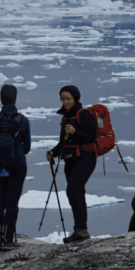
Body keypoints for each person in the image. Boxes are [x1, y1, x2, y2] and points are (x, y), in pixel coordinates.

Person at [46, 84, 97, 243]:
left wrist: (76, 132)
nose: (65, 101)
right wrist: (53, 152)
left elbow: (91, 136)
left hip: (86, 158)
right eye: (63, 99)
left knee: (73, 190)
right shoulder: (66, 116)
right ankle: (80, 230)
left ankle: (81, 230)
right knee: (76, 192)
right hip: (70, 159)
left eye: (68, 98)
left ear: (76, 98)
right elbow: (64, 142)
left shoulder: (84, 114)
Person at [0, 83, 31, 251]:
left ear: (1, 98)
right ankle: (9, 239)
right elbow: (27, 147)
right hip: (16, 164)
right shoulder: (23, 121)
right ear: (16, 98)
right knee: (12, 203)